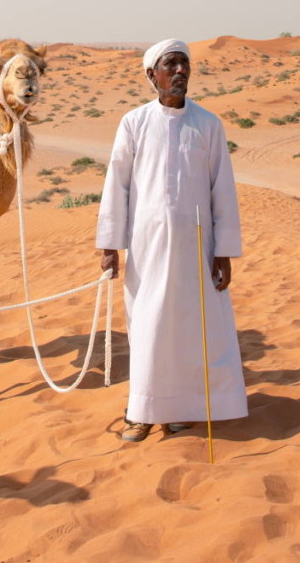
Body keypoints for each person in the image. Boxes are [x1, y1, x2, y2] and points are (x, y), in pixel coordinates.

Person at [96, 38, 248, 442]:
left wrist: (224, 252)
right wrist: (110, 244)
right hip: (146, 248)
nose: (180, 71)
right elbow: (118, 184)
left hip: (197, 251)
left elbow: (223, 189)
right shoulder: (134, 123)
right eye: (171, 65)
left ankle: (183, 409)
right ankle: (141, 412)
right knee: (148, 325)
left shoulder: (208, 124)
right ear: (152, 74)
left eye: (185, 64)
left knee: (190, 329)